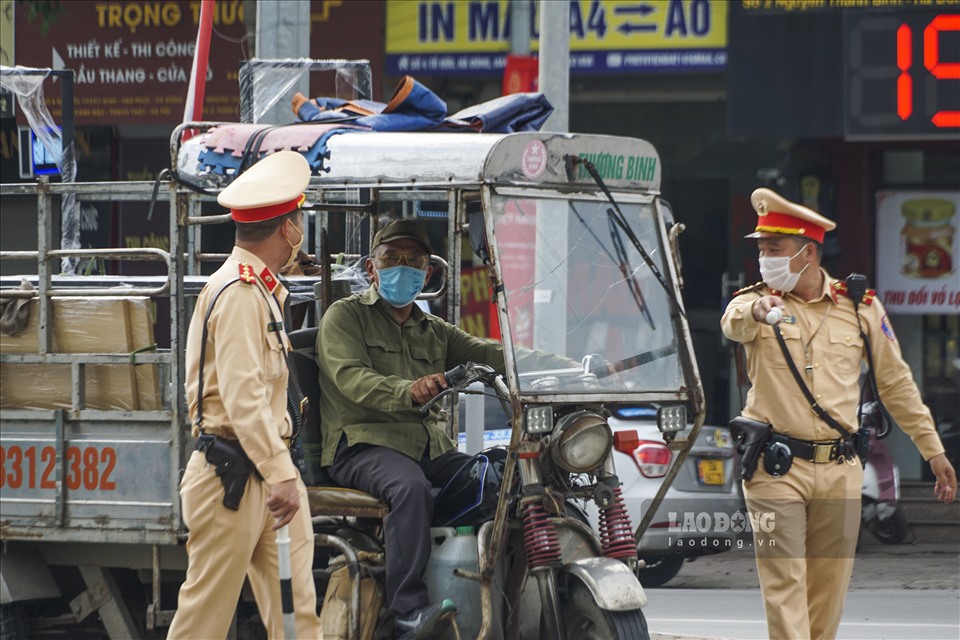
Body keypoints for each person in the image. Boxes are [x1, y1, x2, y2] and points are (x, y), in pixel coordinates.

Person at [721, 188, 957, 640]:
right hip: (775, 468)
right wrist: (756, 308)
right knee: (784, 581)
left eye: (775, 250)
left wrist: (932, 450)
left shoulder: (860, 307)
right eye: (762, 250)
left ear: (808, 252)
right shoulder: (754, 302)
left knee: (828, 590)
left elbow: (896, 383)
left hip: (840, 468)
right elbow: (733, 322)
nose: (765, 259)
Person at [315, 219, 505, 640]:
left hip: (425, 449)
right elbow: (352, 379)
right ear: (371, 267)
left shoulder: (432, 329)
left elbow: (492, 351)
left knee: (494, 477)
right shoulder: (345, 318)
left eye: (413, 260)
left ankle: (488, 586)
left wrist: (570, 367)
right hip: (362, 446)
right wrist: (409, 390)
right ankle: (408, 611)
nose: (402, 267)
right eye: (391, 258)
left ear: (428, 272)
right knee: (410, 488)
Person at [167, 151, 322, 639]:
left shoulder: (262, 289)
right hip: (233, 481)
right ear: (288, 229)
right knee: (205, 622)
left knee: (298, 617)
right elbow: (242, 396)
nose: (301, 230)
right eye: (298, 219)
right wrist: (280, 474)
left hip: (269, 478)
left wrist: (280, 473)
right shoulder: (238, 293)